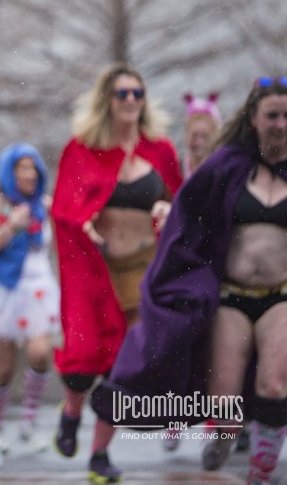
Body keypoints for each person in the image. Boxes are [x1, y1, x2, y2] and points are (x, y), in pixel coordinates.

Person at [91, 75, 287, 485]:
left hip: (280, 299)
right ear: (253, 118)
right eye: (272, 115)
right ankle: (224, 440)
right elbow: (188, 223)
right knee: (226, 403)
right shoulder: (228, 167)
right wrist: (181, 283)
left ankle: (260, 474)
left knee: (273, 382)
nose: (281, 124)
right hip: (232, 298)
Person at [50, 62, 182, 482]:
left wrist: (166, 208)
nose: (130, 101)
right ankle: (71, 411)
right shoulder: (83, 148)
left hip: (142, 272)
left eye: (137, 94)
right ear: (107, 100)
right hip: (94, 270)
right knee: (82, 363)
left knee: (124, 368)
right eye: (122, 94)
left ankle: (99, 455)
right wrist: (82, 220)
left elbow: (181, 203)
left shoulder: (160, 150)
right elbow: (63, 206)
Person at [0, 143, 60, 452]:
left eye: (32, 167)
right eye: (21, 168)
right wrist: (12, 225)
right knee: (1, 371)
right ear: (8, 172)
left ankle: (28, 422)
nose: (28, 174)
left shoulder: (45, 204)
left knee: (40, 354)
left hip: (39, 287)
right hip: (5, 288)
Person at [182, 92, 222, 176]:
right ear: (186, 135)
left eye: (205, 136)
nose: (199, 142)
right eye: (194, 136)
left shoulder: (225, 166)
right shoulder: (180, 167)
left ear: (216, 136)